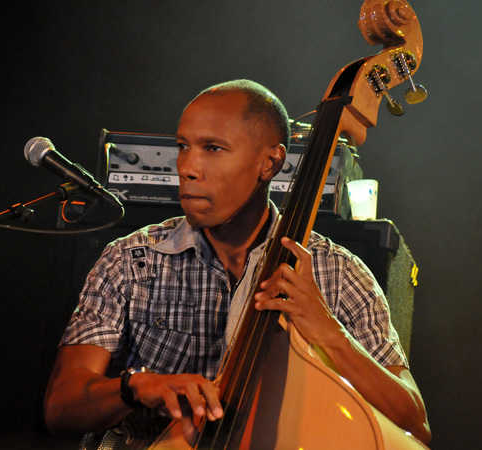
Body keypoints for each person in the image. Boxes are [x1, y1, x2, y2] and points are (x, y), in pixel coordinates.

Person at [43, 79, 431, 447]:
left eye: (212, 148)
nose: (187, 167)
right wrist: (138, 386)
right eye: (182, 146)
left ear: (269, 164)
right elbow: (61, 408)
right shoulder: (130, 261)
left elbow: (414, 424)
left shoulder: (338, 273)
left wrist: (329, 332)